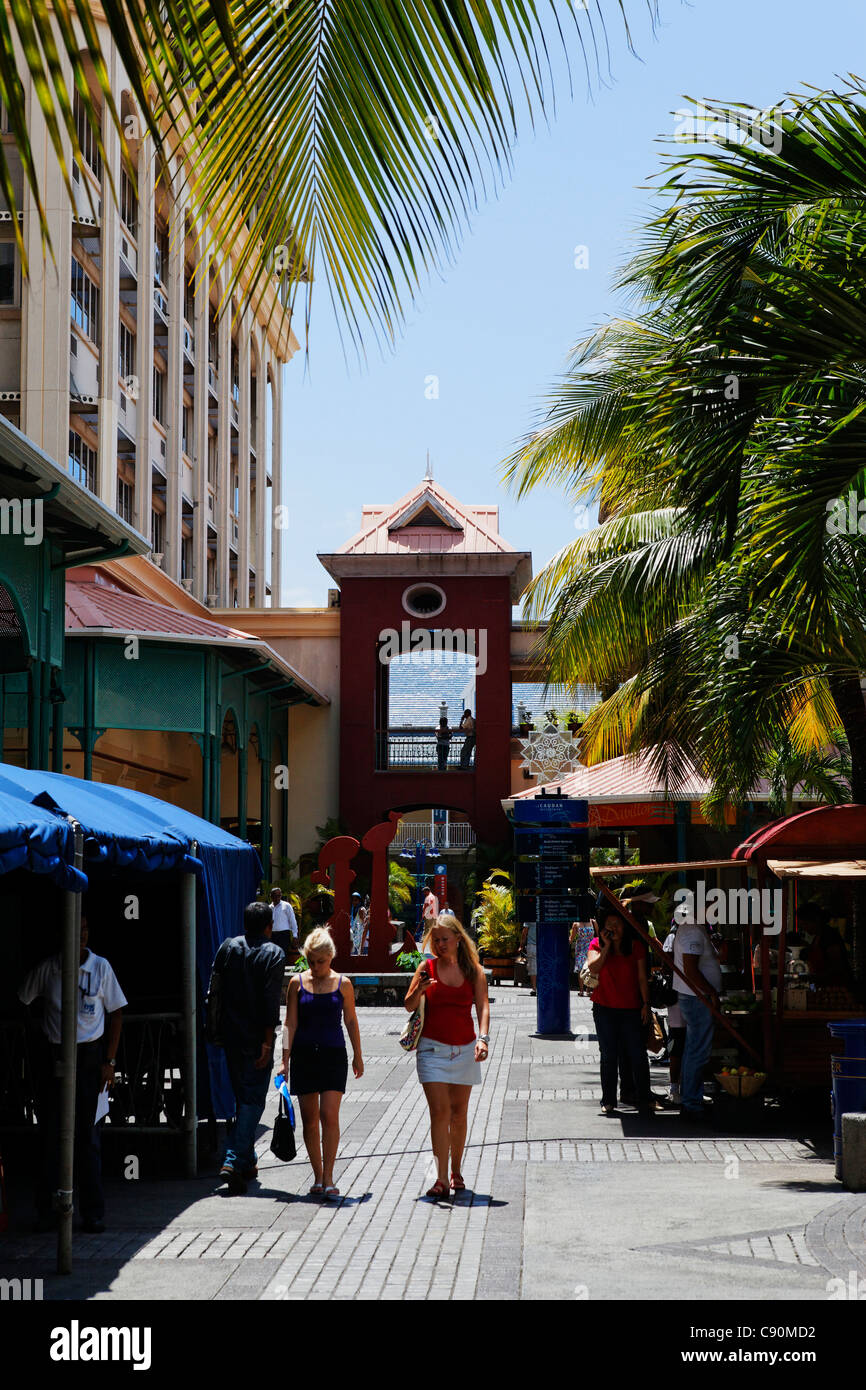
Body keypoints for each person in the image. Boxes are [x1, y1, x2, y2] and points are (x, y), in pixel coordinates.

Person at [18, 912, 127, 1233]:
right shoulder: (49, 968)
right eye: (74, 930)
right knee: (51, 1134)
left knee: (88, 1136)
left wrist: (110, 1061)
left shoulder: (100, 967)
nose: (80, 935)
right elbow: (22, 999)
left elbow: (117, 1013)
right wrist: (37, 1035)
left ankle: (93, 1212)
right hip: (55, 1057)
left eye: (84, 929)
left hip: (91, 1059)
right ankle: (49, 1209)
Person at [404, 912, 490, 1196]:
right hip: (431, 1049)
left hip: (465, 1048)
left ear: (457, 939)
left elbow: (483, 1007)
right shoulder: (426, 967)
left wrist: (483, 1039)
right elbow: (408, 1004)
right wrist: (421, 989)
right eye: (435, 940)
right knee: (439, 1112)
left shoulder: (473, 970)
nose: (440, 944)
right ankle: (440, 1179)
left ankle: (456, 1170)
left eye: (445, 939)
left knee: (459, 1114)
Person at [278, 927, 363, 1199]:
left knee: (329, 1115)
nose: (316, 967)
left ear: (331, 957)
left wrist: (358, 1054)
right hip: (304, 1055)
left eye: (321, 962)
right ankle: (316, 1175)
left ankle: (329, 1176)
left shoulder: (344, 984)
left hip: (333, 1054)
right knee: (309, 1119)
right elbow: (290, 1022)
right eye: (311, 962)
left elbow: (351, 1020)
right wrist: (284, 1060)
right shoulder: (296, 983)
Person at [212, 901, 285, 1190]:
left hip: (230, 1035)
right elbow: (270, 1003)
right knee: (253, 1100)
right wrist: (268, 1042)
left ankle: (246, 1160)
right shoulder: (274, 954)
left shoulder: (228, 947)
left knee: (243, 1099)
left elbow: (215, 990)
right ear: (269, 926)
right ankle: (231, 1159)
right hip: (256, 1039)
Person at [586, 905, 653, 1117]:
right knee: (608, 1056)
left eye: (617, 925)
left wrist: (646, 1004)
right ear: (603, 929)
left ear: (625, 927)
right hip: (604, 1009)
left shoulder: (635, 947)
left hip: (631, 1009)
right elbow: (594, 967)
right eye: (609, 926)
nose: (614, 929)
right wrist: (606, 947)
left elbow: (642, 978)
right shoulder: (596, 944)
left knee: (638, 1055)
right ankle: (608, 1100)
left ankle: (644, 1098)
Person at [673, 903, 722, 1124]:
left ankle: (691, 1099)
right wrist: (710, 992)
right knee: (697, 1051)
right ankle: (691, 1103)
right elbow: (691, 969)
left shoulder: (697, 927)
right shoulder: (692, 929)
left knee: (694, 1049)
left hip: (696, 997)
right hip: (696, 998)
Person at [662, 920, 685, 1106]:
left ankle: (687, 1085)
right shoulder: (673, 937)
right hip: (678, 997)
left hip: (691, 996)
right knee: (677, 1042)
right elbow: (667, 964)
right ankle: (674, 1087)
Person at [270, 887, 298, 955]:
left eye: (279, 895)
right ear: (271, 896)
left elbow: (292, 920)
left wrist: (295, 935)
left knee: (283, 955)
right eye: (275, 896)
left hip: (283, 935)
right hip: (272, 935)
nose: (277, 898)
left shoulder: (286, 906)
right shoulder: (269, 908)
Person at [519, 921, 537, 996]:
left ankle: (534, 988)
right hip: (544, 945)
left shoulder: (529, 918)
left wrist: (521, 946)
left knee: (533, 967)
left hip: (532, 945)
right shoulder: (546, 915)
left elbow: (524, 932)